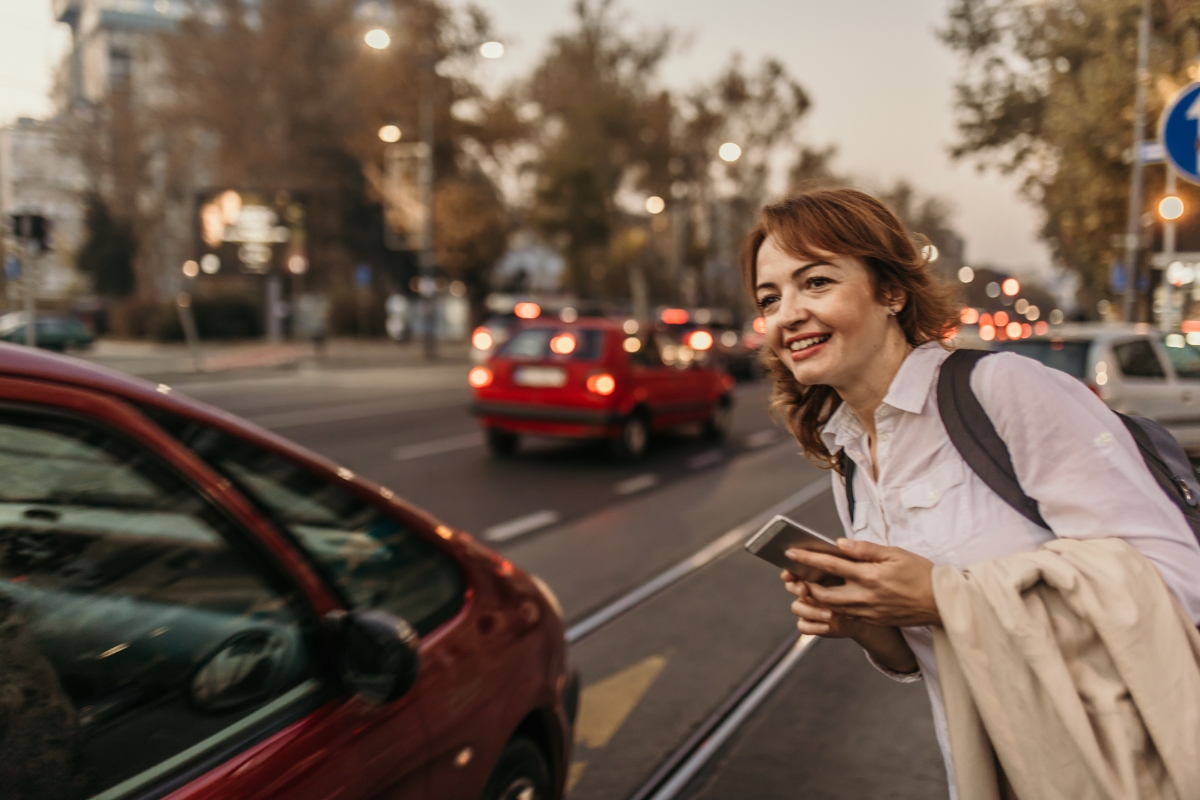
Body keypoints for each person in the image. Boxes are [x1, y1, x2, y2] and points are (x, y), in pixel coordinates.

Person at [741, 187, 1200, 794]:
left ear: (892, 293)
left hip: (1117, 766)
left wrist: (942, 593)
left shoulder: (1001, 391)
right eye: (770, 298)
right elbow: (929, 654)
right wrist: (869, 621)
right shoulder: (849, 457)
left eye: (816, 282)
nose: (787, 314)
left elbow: (1178, 583)